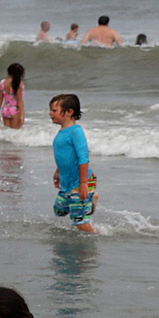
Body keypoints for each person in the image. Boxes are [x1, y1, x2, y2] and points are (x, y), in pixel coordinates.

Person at [51, 94, 95, 232]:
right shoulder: (62, 132)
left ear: (69, 112)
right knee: (59, 210)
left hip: (80, 182)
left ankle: (93, 242)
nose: (50, 113)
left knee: (79, 221)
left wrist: (83, 183)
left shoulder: (76, 132)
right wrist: (58, 171)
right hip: (67, 181)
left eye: (54, 110)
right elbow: (64, 156)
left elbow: (83, 158)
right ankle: (91, 201)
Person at [0, 61, 25, 129]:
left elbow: (0, 99)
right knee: (15, 133)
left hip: (5, 110)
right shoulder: (18, 84)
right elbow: (20, 100)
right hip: (15, 110)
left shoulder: (3, 83)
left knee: (7, 133)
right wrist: (22, 115)